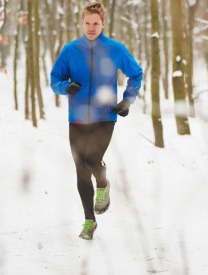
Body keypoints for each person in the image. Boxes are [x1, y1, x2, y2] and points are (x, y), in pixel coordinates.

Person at [50, 2, 143, 240]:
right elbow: (55, 79)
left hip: (105, 116)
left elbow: (136, 73)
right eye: (87, 23)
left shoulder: (115, 49)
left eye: (96, 23)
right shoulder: (70, 50)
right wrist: (65, 87)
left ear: (103, 23)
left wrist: (127, 100)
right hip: (77, 118)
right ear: (82, 23)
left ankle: (103, 184)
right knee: (81, 169)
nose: (91, 28)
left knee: (92, 159)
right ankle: (89, 222)